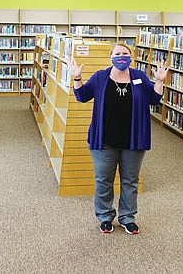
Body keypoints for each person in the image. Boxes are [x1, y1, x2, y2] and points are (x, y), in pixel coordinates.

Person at [69, 41, 167, 235]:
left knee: (130, 181)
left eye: (125, 53)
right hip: (103, 141)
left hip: (133, 140)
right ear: (111, 57)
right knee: (104, 180)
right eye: (118, 53)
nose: (121, 56)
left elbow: (154, 100)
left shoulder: (139, 77)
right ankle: (105, 217)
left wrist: (160, 81)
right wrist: (77, 78)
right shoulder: (101, 77)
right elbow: (82, 96)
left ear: (131, 57)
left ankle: (127, 217)